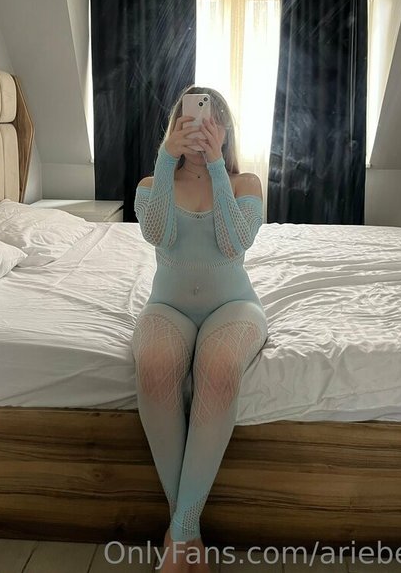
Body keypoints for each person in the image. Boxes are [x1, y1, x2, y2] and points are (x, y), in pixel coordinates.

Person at [132, 85, 268, 573]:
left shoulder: (246, 183)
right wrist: (166, 158)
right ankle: (187, 532)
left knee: (220, 366)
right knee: (153, 365)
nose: (197, 129)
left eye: (209, 121)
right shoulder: (152, 183)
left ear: (224, 130)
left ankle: (179, 535)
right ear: (174, 126)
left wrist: (214, 167)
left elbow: (234, 243)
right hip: (167, 307)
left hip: (233, 306)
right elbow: (158, 233)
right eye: (187, 121)